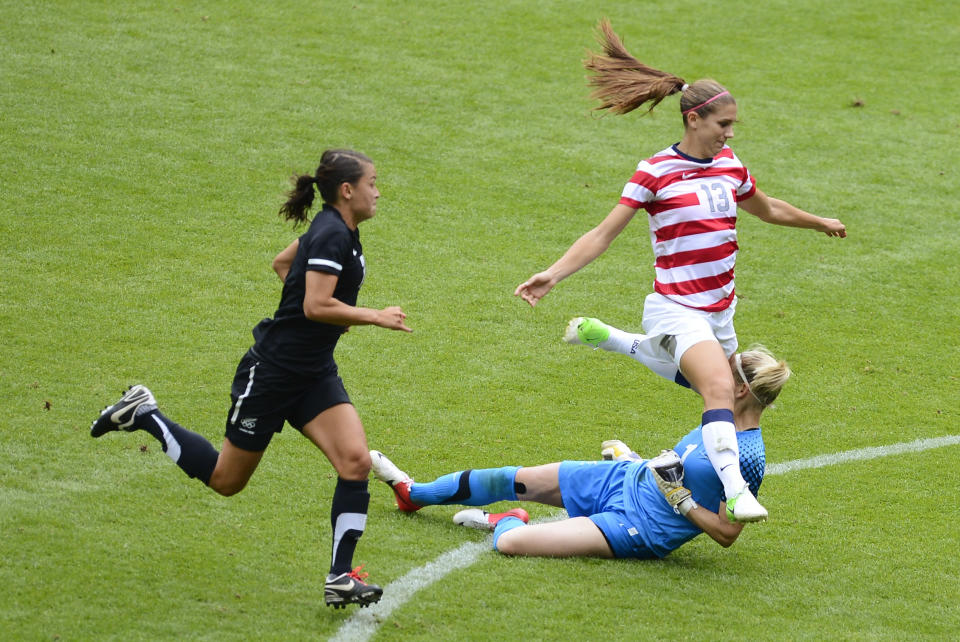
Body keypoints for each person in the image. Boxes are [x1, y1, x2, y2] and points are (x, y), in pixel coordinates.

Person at [513, 20, 845, 523]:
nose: (729, 134)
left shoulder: (731, 165)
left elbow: (768, 208)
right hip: (675, 308)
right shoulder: (655, 173)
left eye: (732, 127)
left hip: (719, 310)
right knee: (717, 391)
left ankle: (612, 339)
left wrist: (818, 222)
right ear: (693, 120)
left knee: (735, 391)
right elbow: (603, 234)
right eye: (722, 125)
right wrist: (552, 274)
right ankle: (735, 490)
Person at [90, 149, 412, 609]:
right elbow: (314, 305)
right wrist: (371, 316)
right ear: (348, 190)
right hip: (273, 374)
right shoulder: (330, 236)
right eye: (373, 183)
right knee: (226, 481)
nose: (378, 192)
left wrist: (316, 320)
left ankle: (340, 577)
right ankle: (145, 413)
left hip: (314, 372)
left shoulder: (341, 232)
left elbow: (284, 266)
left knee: (355, 461)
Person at [369, 346, 790, 559]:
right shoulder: (716, 416)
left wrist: (678, 499)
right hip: (623, 479)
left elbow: (726, 532)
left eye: (722, 370)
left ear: (739, 389)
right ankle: (413, 493)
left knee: (512, 544)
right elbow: (680, 468)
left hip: (638, 527)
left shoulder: (749, 456)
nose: (710, 373)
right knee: (509, 477)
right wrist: (635, 461)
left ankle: (506, 520)